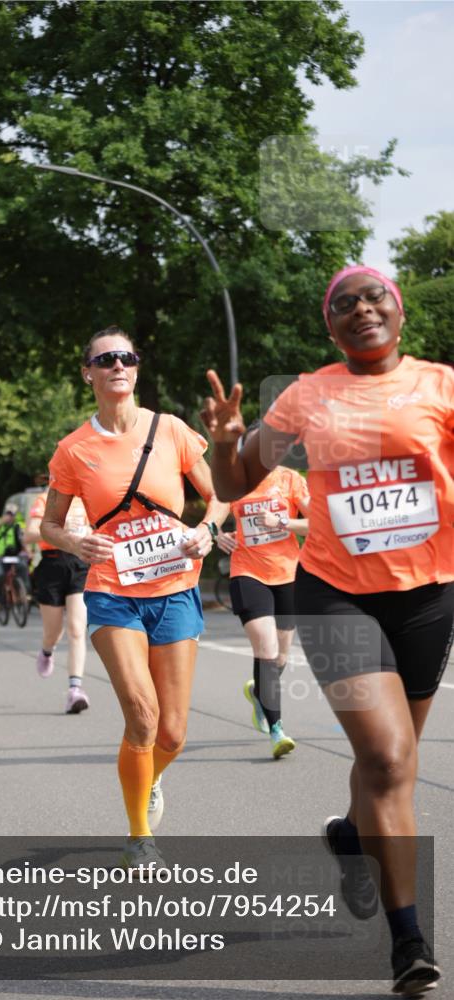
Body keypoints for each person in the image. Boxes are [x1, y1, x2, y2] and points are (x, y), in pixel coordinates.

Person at [201, 266, 453, 995]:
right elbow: (230, 485)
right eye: (344, 304)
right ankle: (407, 939)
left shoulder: (439, 385)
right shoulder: (307, 395)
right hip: (335, 592)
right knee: (388, 755)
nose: (361, 309)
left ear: (398, 314)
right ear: (329, 326)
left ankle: (350, 835)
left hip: (428, 596)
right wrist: (223, 442)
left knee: (385, 769)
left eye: (375, 297)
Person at [42, 325, 228, 870]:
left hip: (175, 588)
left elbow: (219, 495)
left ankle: (148, 779)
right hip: (112, 592)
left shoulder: (170, 430)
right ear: (89, 373)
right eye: (105, 360)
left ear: (137, 368)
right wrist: (75, 539)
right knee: (142, 716)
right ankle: (139, 834)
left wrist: (208, 532)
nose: (117, 365)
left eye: (127, 357)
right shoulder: (73, 449)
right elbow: (51, 525)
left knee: (173, 731)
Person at [217, 421, 310, 758]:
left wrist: (283, 522)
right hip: (247, 572)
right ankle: (276, 729)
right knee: (267, 650)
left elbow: (318, 523)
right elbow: (213, 513)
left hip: (287, 574)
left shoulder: (290, 480)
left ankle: (259, 690)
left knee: (281, 656)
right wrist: (215, 533)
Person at [24, 488, 91, 713]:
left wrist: (89, 533)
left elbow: (99, 528)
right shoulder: (45, 499)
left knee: (76, 628)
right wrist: (61, 532)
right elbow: (30, 534)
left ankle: (75, 689)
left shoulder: (85, 500)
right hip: (51, 564)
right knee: (53, 631)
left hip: (80, 563)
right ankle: (46, 650)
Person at [0, 502, 30, 607]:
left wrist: (28, 552)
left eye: (12, 514)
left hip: (13, 556)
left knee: (23, 567)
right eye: (8, 514)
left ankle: (23, 593)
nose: (9, 517)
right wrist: (1, 522)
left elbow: (22, 540)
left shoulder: (17, 526)